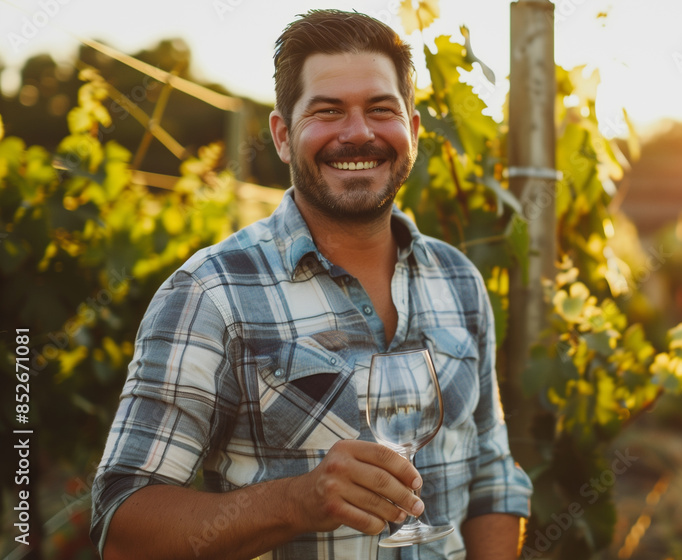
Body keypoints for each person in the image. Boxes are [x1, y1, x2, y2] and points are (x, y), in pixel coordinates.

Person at [90, 9, 532, 560]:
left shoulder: (459, 279)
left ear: (414, 131)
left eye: (381, 109)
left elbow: (492, 474)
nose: (359, 132)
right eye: (328, 111)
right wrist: (299, 502)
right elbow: (123, 527)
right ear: (282, 136)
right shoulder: (210, 294)